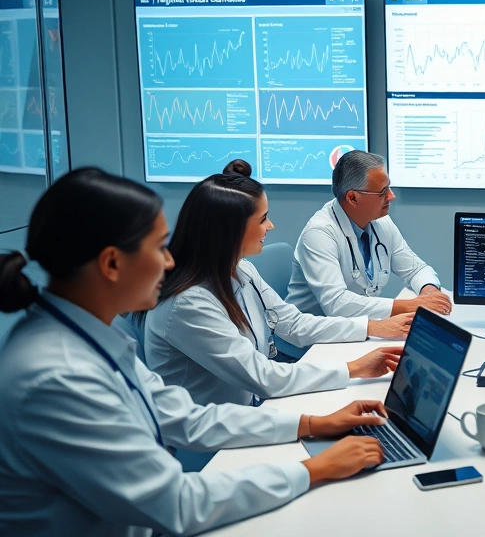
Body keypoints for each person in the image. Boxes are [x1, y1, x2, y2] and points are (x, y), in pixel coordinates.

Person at [0, 168, 392, 536]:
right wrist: (313, 469)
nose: (170, 260)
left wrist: (312, 424)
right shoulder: (56, 377)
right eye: (159, 247)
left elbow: (184, 417)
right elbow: (178, 503)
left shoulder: (83, 337)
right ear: (112, 263)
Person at [143, 160, 412, 407]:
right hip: (212, 437)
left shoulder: (240, 269)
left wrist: (372, 327)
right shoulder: (188, 303)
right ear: (230, 230)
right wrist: (353, 368)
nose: (270, 226)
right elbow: (262, 378)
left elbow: (292, 323)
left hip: (249, 410)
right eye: (262, 219)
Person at [287, 150, 450, 320]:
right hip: (314, 334)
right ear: (352, 198)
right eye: (382, 192)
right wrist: (410, 306)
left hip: (357, 327)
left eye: (389, 187)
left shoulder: (381, 222)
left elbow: (416, 269)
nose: (391, 196)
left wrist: (429, 291)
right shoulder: (319, 233)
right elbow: (336, 304)